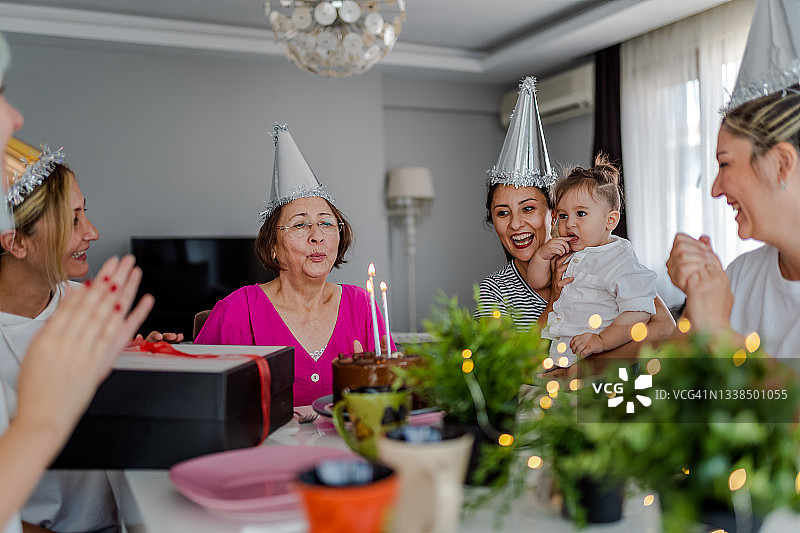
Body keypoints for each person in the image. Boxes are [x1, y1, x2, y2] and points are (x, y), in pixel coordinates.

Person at [0, 33, 153, 533]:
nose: (93, 233)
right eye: (72, 221)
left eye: (86, 213)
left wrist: (140, 357)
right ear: (15, 242)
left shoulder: (86, 302)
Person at [476, 77, 674, 358]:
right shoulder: (495, 291)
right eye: (502, 213)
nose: (516, 224)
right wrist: (554, 301)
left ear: (552, 213)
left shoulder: (601, 254)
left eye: (528, 208)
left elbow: (664, 328)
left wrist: (586, 365)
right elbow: (502, 365)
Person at [195, 124, 391, 406]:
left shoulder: (361, 305)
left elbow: (394, 389)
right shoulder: (236, 311)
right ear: (273, 247)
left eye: (326, 223)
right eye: (300, 225)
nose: (317, 236)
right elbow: (199, 395)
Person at [667, 89, 800, 357]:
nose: (715, 189)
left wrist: (719, 332)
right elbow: (669, 375)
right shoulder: (740, 275)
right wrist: (697, 300)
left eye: (725, 164)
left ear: (782, 163)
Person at [527, 155, 657, 365]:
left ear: (610, 220)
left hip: (599, 361)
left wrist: (602, 340)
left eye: (580, 214)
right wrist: (542, 256)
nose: (570, 223)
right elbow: (536, 282)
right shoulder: (568, 250)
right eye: (563, 216)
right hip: (562, 356)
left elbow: (638, 313)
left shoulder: (619, 259)